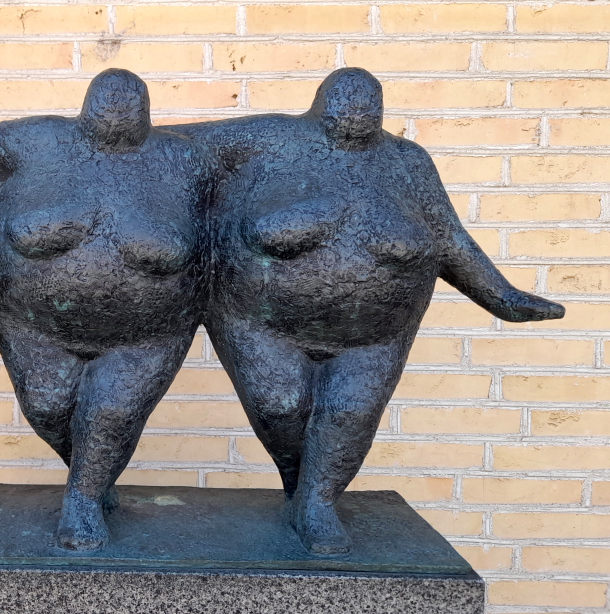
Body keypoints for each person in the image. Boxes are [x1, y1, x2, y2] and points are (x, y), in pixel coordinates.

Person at [174, 68, 565, 555]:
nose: (357, 116)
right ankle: (304, 487)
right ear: (319, 105)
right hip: (260, 322)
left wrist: (501, 295)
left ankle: (317, 504)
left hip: (377, 332)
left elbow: (449, 238)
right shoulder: (267, 138)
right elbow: (169, 147)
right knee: (280, 408)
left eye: (369, 107)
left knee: (349, 413)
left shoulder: (407, 161)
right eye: (345, 105)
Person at [0, 69, 216, 550]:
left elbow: (254, 146)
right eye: (107, 105)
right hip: (33, 326)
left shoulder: (185, 159)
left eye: (130, 106)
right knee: (46, 408)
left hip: (147, 333)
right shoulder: (39, 141)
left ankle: (82, 501)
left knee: (111, 411)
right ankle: (95, 473)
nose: (118, 116)